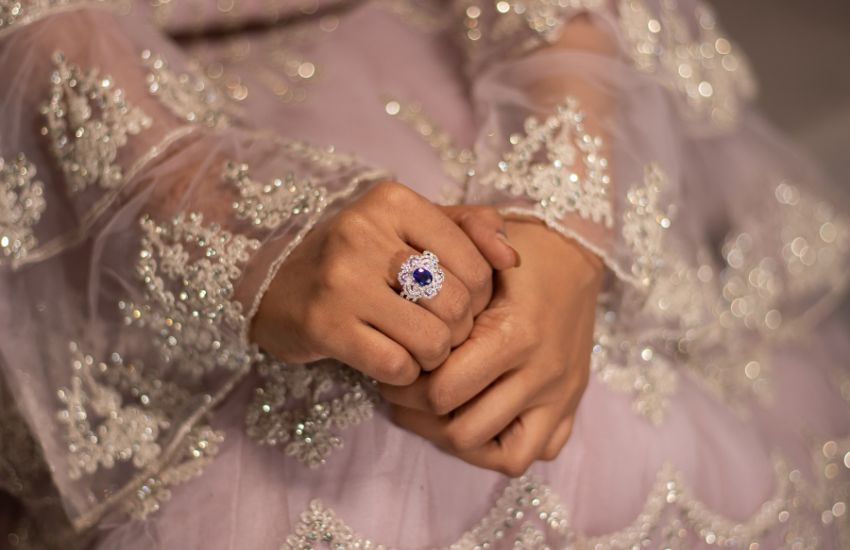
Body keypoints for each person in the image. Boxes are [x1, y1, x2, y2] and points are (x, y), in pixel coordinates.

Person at [0, 0, 848, 548]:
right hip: (81, 73)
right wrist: (208, 208)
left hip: (462, 34)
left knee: (591, 398)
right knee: (312, 446)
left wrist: (562, 215)